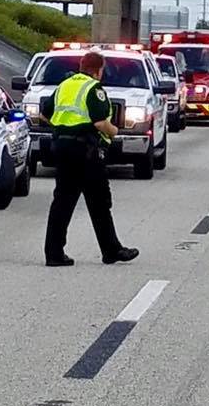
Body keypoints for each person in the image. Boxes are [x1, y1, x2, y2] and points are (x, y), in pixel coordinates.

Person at [40, 51, 138, 267]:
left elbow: (44, 114)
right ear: (98, 70)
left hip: (62, 148)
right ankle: (111, 250)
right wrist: (114, 131)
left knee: (62, 202)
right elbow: (100, 123)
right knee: (99, 202)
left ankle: (54, 253)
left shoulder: (64, 86)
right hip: (86, 151)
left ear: (81, 66)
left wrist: (62, 127)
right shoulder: (94, 88)